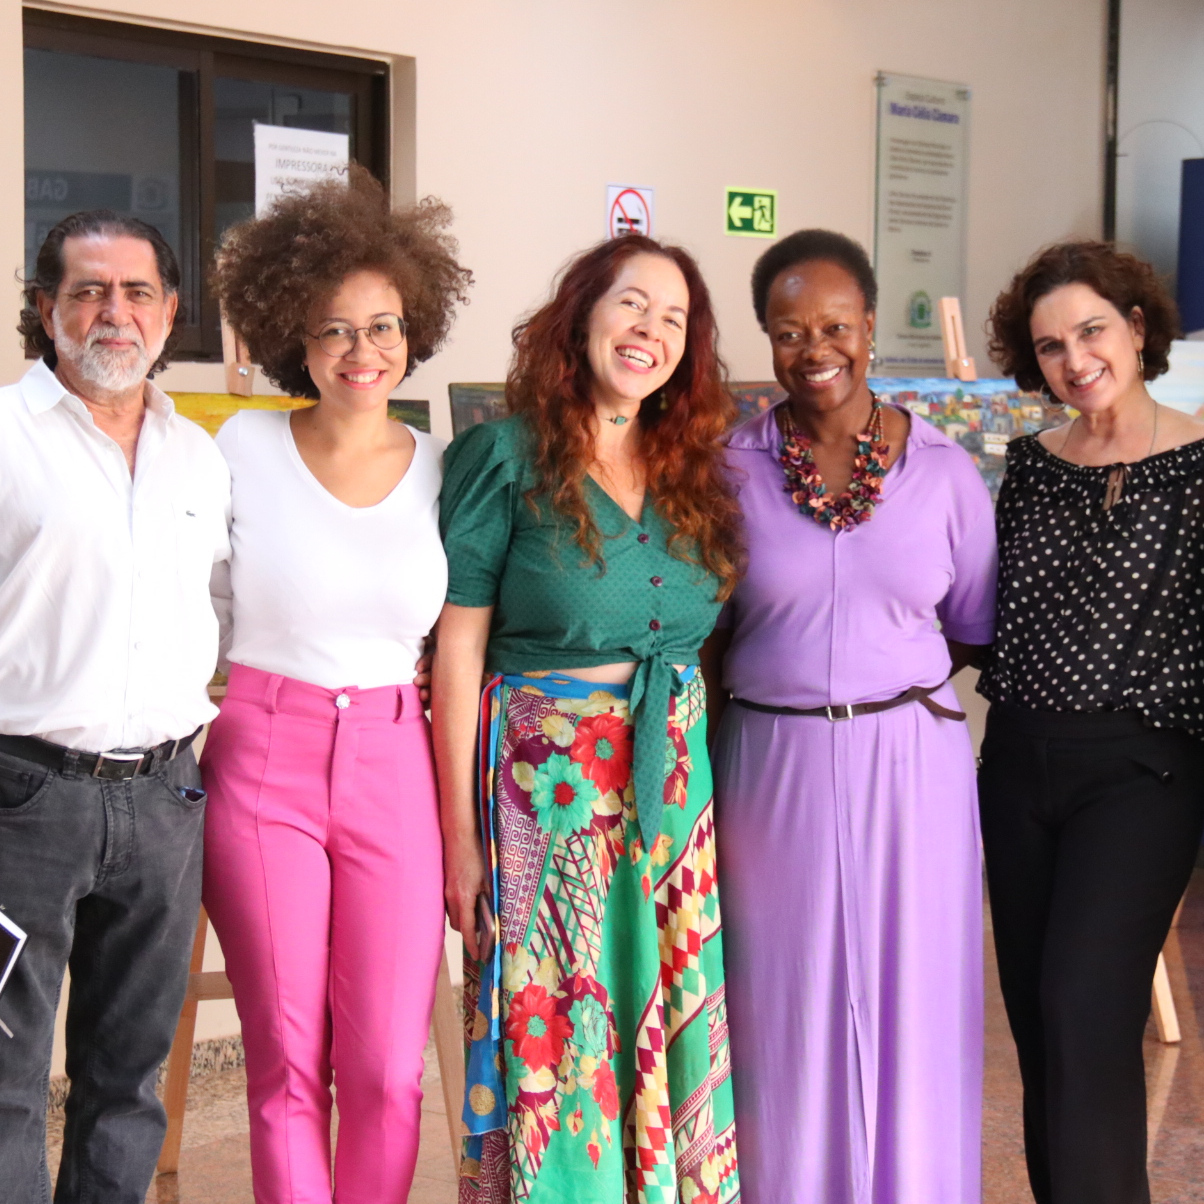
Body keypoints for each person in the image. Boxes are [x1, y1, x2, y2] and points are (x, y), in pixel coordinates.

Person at [433, 234, 743, 1203]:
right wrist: (460, 840)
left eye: (673, 318)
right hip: (548, 795)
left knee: (664, 1014)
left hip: (670, 791)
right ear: (582, 316)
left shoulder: (691, 468)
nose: (650, 330)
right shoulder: (504, 456)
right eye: (631, 305)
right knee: (558, 1037)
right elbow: (457, 650)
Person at [705, 230, 997, 1204]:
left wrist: (881, 688)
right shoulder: (727, 468)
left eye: (834, 325)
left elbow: (971, 625)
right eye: (789, 331)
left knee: (914, 1000)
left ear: (870, 325)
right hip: (769, 761)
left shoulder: (945, 472)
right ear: (766, 338)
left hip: (911, 765)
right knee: (779, 999)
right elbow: (706, 631)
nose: (814, 349)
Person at [200, 167, 471, 1204]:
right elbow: (201, 600)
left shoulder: (448, 467)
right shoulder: (242, 445)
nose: (364, 351)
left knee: (389, 1072)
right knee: (285, 1061)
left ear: (414, 329)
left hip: (396, 761)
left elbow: (465, 625)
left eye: (384, 326)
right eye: (335, 330)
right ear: (295, 342)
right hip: (262, 756)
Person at [0, 212, 230, 1199]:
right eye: (88, 290)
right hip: (22, 798)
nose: (114, 312)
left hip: (166, 799)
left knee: (128, 1076)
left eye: (137, 292)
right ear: (45, 306)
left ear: (170, 312)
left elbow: (222, 609)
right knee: (5, 1076)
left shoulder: (199, 456)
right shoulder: (5, 437)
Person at [977, 241, 1204, 1204]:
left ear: (1138, 327)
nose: (1075, 360)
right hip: (1016, 764)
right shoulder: (1031, 467)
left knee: (1085, 1011)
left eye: (1092, 331)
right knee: (1039, 1026)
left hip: (1142, 774)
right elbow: (985, 618)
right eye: (1050, 345)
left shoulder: (1199, 462)